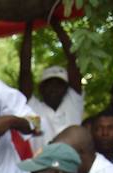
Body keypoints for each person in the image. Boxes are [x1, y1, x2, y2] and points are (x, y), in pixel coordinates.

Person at [20, 16, 83, 153]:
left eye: (58, 84)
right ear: (41, 89)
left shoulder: (73, 101)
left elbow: (73, 61)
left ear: (66, 88)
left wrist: (56, 23)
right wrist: (29, 25)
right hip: (42, 170)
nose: (54, 89)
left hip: (73, 170)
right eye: (49, 84)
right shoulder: (33, 107)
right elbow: (25, 70)